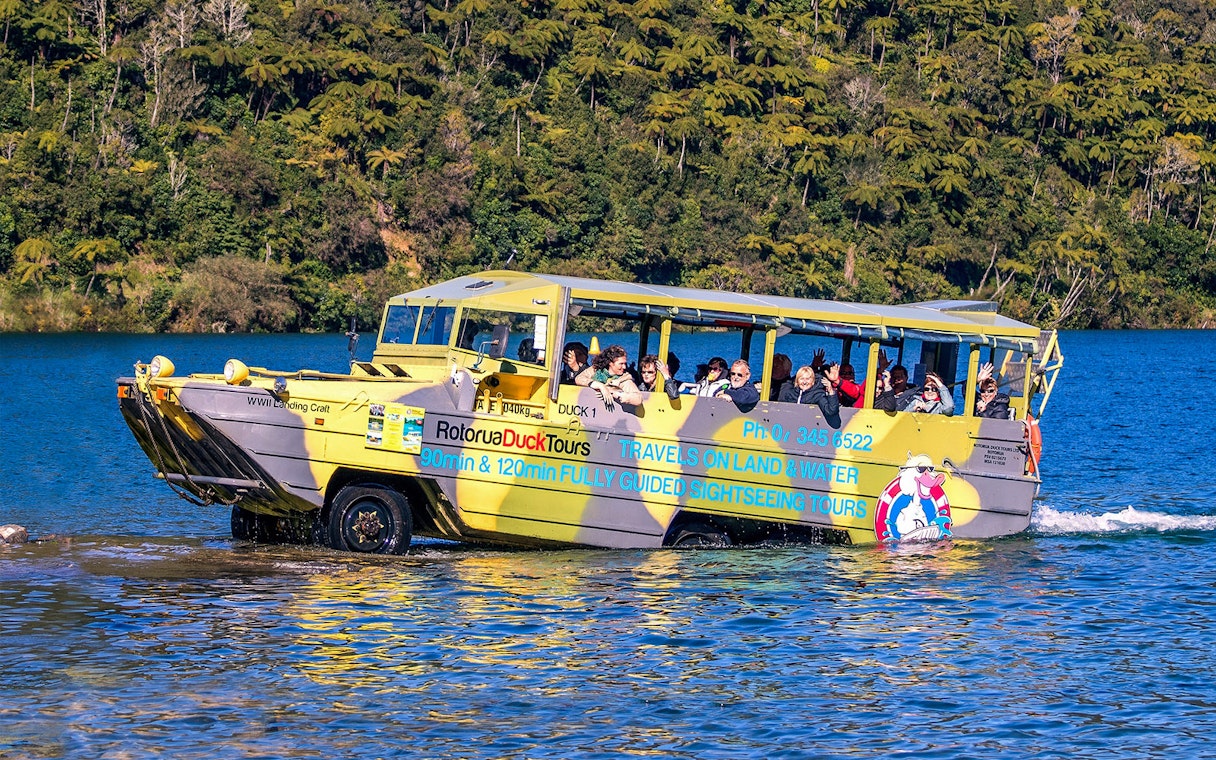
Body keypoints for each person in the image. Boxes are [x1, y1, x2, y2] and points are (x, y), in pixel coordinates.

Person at [576, 344, 642, 408]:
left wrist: (616, 393)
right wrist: (601, 386)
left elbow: (638, 399)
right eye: (621, 364)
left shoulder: (624, 380)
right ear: (610, 363)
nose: (624, 367)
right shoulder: (596, 370)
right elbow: (579, 378)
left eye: (625, 363)